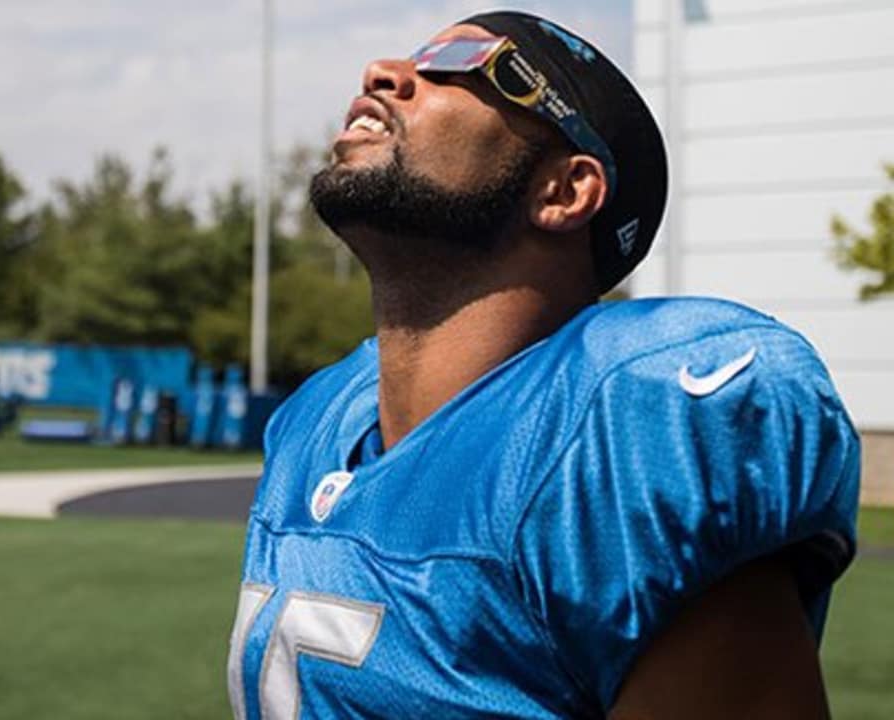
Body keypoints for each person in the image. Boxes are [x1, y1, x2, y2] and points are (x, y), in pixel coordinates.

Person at [226, 10, 860, 719]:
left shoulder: (625, 430)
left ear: (564, 190)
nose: (386, 74)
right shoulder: (316, 420)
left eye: (460, 66)